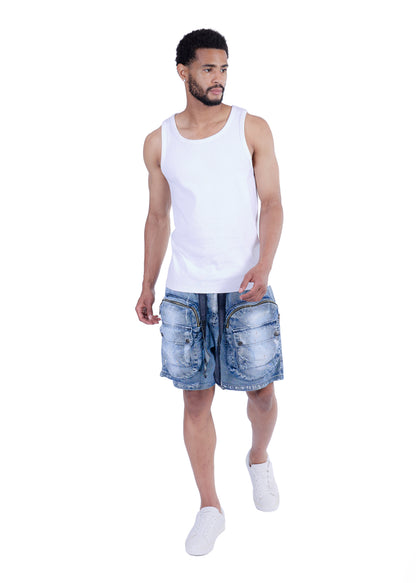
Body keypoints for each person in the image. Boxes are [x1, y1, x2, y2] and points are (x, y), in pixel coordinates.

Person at [135, 28, 284, 556]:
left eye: (223, 69)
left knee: (261, 393)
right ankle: (210, 507)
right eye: (207, 69)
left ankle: (258, 458)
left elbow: (272, 203)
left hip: (246, 285)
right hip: (184, 291)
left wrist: (264, 266)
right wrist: (147, 283)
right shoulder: (159, 141)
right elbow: (157, 217)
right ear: (183, 72)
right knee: (195, 401)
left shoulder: (251, 128)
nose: (218, 79)